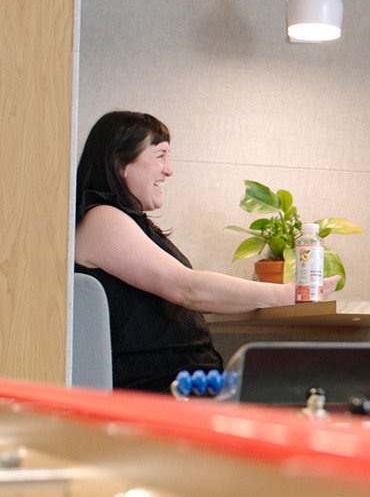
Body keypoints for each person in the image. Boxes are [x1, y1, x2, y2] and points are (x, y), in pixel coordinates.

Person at [74, 111, 341, 393]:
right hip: (156, 393)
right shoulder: (103, 219)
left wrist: (284, 296)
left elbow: (200, 297)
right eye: (160, 155)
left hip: (188, 385)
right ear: (120, 164)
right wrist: (284, 294)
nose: (169, 169)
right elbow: (187, 289)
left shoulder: (129, 222)